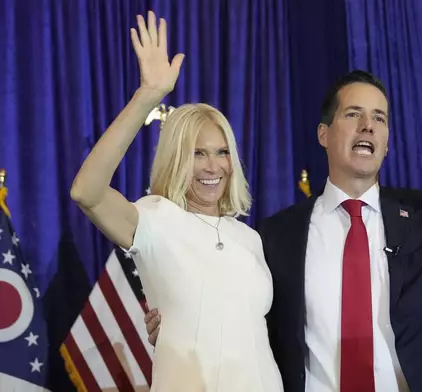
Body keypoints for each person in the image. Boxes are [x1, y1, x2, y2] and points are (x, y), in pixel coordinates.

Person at [146, 70, 422, 391]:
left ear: (387, 141)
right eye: (353, 114)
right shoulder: (276, 237)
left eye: (380, 118)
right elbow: (240, 309)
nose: (368, 125)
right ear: (324, 134)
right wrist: (180, 317)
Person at [70, 11, 283, 392]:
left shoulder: (249, 238)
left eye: (221, 152)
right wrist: (147, 96)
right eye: (197, 153)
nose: (213, 166)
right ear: (175, 159)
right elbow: (86, 192)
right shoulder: (155, 218)